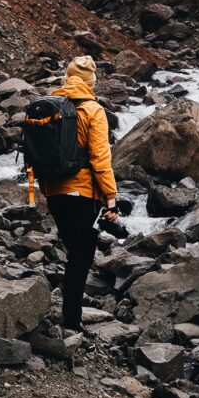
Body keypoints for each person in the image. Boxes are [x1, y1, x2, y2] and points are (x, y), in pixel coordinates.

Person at [37, 53, 118, 335]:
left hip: (55, 192)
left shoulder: (52, 105)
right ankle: (71, 320)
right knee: (82, 256)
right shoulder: (94, 111)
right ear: (91, 82)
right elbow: (100, 159)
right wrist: (111, 198)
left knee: (75, 252)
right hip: (84, 193)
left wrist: (47, 191)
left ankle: (69, 315)